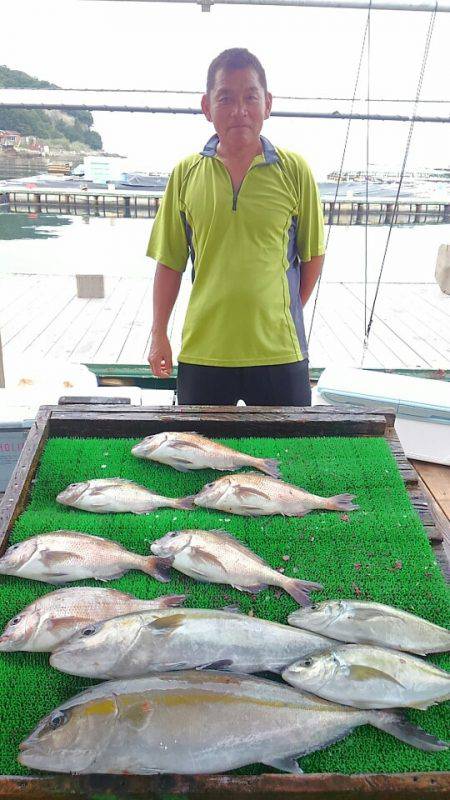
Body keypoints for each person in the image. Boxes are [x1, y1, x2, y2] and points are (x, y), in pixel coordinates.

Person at [147, 48, 325, 406]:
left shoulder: (295, 171)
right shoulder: (185, 174)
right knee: (200, 458)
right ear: (207, 106)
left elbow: (312, 257)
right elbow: (169, 263)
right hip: (204, 353)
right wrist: (159, 333)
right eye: (225, 98)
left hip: (280, 353)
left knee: (289, 458)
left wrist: (280, 311)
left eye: (250, 97)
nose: (239, 110)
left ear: (268, 103)